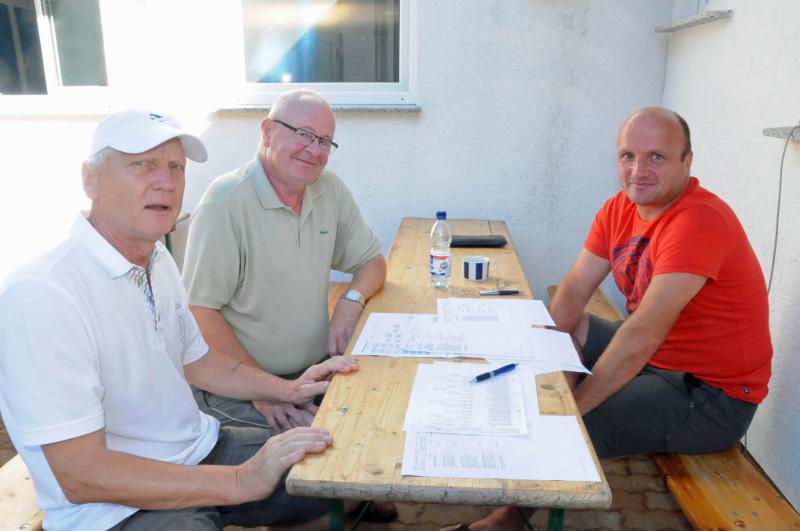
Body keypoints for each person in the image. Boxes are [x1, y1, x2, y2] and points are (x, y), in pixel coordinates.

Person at [0, 109, 362, 531]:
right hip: (113, 506)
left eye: (176, 167)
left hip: (198, 448)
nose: (166, 181)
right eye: (143, 164)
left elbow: (200, 362)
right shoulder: (42, 293)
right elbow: (81, 475)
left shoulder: (156, 258)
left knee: (345, 473)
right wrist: (241, 481)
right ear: (90, 180)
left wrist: (288, 389)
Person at [442, 107, 773, 531]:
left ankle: (505, 522)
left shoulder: (699, 221)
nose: (639, 170)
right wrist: (527, 364)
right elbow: (572, 294)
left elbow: (641, 336)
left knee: (574, 429)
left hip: (712, 396)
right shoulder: (620, 208)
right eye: (627, 156)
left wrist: (573, 409)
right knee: (568, 331)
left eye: (656, 157)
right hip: (658, 360)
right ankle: (537, 439)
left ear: (687, 162)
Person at [182, 89, 386, 435]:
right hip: (240, 388)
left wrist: (351, 301)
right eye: (304, 134)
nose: (315, 150)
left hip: (311, 372)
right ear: (267, 132)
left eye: (325, 141)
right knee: (326, 447)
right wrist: (265, 389)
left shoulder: (329, 190)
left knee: (378, 417)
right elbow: (199, 314)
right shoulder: (224, 203)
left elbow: (372, 262)